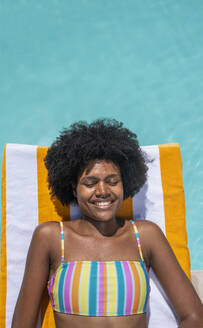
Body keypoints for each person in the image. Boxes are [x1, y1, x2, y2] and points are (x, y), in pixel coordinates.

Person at [12, 119, 203, 328]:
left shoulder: (146, 236)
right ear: (74, 188)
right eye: (90, 183)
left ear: (126, 183)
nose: (103, 191)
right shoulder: (51, 237)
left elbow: (194, 316)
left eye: (112, 181)